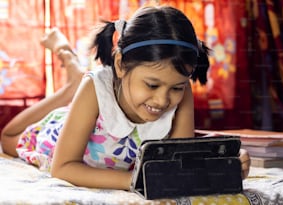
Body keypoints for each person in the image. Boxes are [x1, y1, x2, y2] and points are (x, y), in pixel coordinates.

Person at [1, 6, 250, 190]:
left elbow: (179, 161)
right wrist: (136, 181)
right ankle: (71, 84)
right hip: (62, 134)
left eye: (176, 87)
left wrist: (222, 165)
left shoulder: (180, 91)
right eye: (152, 84)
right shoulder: (96, 87)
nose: (163, 100)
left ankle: (71, 84)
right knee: (7, 139)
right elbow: (62, 167)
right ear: (120, 64)